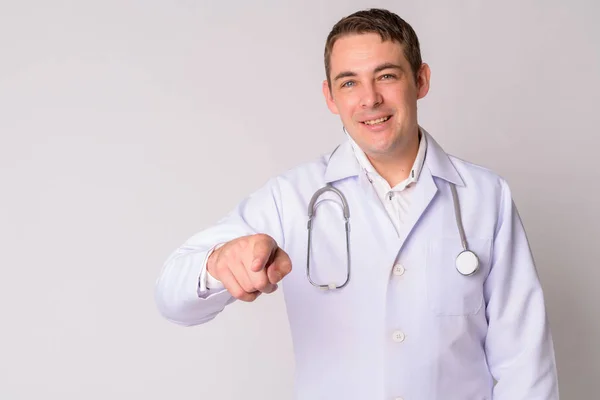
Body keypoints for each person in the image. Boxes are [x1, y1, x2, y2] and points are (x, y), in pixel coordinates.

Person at [154, 8, 559, 399]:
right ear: (330, 96)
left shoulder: (485, 196)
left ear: (421, 80)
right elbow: (173, 300)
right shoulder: (292, 197)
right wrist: (219, 263)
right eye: (349, 83)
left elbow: (523, 360)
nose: (369, 99)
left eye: (386, 76)